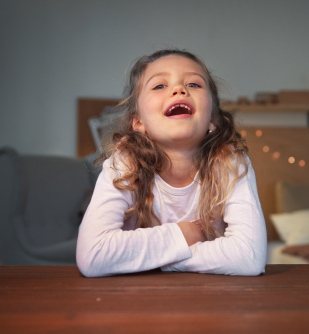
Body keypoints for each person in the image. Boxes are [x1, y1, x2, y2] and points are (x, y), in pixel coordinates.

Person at [76, 49, 266, 277]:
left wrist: (158, 260)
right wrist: (185, 233)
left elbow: (249, 257)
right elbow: (93, 255)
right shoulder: (124, 165)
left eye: (194, 84)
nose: (179, 90)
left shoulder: (231, 163)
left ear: (213, 119)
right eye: (159, 86)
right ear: (138, 122)